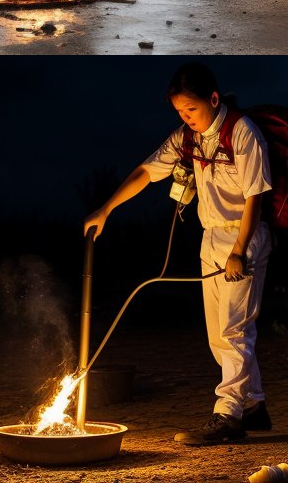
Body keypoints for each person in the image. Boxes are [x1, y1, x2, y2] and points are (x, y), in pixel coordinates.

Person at [82, 62, 273, 446]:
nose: (187, 118)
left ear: (213, 99)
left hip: (243, 239)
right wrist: (106, 209)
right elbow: (147, 172)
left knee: (235, 331)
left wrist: (239, 250)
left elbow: (256, 194)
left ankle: (228, 418)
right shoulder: (187, 139)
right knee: (218, 337)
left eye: (192, 110)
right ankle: (253, 405)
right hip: (210, 238)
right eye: (180, 113)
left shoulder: (243, 133)